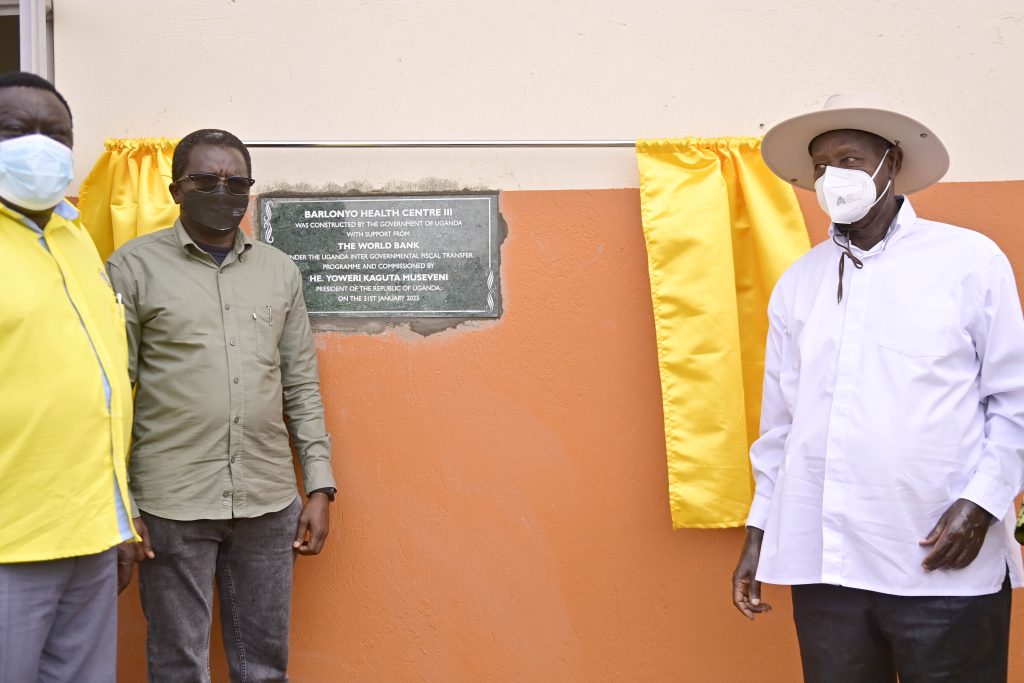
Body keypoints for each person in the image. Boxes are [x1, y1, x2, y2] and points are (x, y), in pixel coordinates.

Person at [731, 92, 1024, 682]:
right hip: (827, 568)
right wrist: (760, 530)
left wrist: (984, 504)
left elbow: (1013, 397)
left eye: (850, 160)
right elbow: (782, 425)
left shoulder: (968, 261)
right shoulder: (799, 283)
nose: (833, 177)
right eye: (820, 167)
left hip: (942, 560)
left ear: (892, 165)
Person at [108, 128, 337, 682]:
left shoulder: (278, 271)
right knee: (178, 665)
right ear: (175, 190)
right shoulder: (132, 269)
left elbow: (300, 385)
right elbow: (110, 396)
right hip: (172, 504)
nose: (224, 190)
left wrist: (320, 485)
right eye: (206, 180)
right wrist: (120, 505)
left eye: (237, 181)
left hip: (267, 498)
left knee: (264, 666)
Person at [0, 71, 135, 682]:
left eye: (55, 133)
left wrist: (119, 518)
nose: (39, 145)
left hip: (88, 533)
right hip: (10, 541)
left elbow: (101, 388)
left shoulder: (75, 236)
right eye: (15, 130)